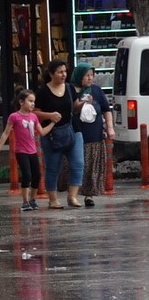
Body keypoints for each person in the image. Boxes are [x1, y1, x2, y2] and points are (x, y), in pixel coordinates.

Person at [0, 89, 54, 212]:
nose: (32, 104)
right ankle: (25, 202)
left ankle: (32, 199)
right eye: (30, 101)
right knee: (27, 175)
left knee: (37, 175)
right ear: (21, 102)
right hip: (21, 151)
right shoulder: (14, 117)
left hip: (33, 151)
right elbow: (6, 133)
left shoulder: (34, 117)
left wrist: (52, 123)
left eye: (34, 101)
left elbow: (42, 132)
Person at [33, 59, 84, 209]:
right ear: (51, 74)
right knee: (53, 167)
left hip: (72, 129)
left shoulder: (69, 88)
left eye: (65, 71)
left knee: (78, 164)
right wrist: (49, 115)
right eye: (60, 72)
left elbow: (75, 107)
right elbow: (35, 112)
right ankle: (53, 199)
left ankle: (72, 196)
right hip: (51, 133)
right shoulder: (42, 92)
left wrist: (85, 103)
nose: (63, 75)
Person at [69, 63, 115, 207]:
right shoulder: (71, 90)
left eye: (92, 75)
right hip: (77, 135)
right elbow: (72, 109)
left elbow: (106, 109)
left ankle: (89, 195)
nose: (90, 78)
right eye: (87, 75)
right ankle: (73, 195)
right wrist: (83, 101)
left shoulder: (96, 90)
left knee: (92, 166)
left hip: (95, 135)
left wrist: (109, 127)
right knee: (78, 165)